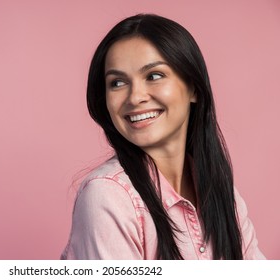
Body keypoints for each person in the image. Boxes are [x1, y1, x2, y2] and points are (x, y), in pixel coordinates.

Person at [61, 14, 265, 260]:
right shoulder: (109, 195)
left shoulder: (223, 194)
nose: (135, 97)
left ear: (193, 88)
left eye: (154, 76)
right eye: (117, 83)